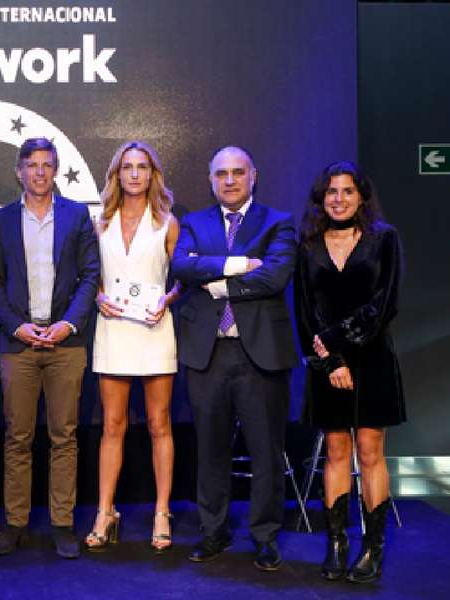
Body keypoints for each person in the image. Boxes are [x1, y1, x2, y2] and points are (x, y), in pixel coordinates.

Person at [171, 146, 298, 571]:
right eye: (221, 174)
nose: (229, 180)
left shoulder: (277, 222)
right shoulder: (194, 222)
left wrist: (222, 285)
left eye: (237, 173)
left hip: (259, 352)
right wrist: (242, 263)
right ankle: (213, 531)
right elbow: (182, 267)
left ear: (253, 176)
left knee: (266, 451)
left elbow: (275, 275)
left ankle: (264, 536)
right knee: (210, 450)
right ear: (210, 179)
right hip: (208, 353)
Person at [0, 137, 100, 559]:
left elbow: (90, 276)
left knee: (64, 436)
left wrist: (68, 324)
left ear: (55, 170)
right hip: (18, 345)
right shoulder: (0, 221)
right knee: (17, 436)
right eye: (30, 165)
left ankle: (62, 524)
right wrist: (17, 327)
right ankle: (15, 524)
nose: (38, 172)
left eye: (46, 165)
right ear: (19, 171)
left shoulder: (76, 215)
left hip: (66, 343)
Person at [294, 161, 405, 583]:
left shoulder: (385, 240)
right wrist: (331, 362)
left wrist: (339, 342)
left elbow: (386, 303)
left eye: (347, 191)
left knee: (371, 453)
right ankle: (336, 544)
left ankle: (373, 550)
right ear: (321, 199)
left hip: (373, 359)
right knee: (336, 452)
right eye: (331, 192)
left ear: (361, 196)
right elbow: (304, 312)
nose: (339, 199)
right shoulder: (308, 244)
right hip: (328, 365)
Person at [88, 141, 180, 553]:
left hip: (154, 327)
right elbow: (93, 277)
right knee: (113, 425)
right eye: (128, 167)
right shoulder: (100, 221)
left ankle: (162, 511)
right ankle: (105, 512)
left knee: (160, 424)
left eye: (142, 167)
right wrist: (98, 295)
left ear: (152, 173)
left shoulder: (167, 222)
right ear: (117, 174)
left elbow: (183, 278)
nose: (135, 174)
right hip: (113, 327)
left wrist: (168, 300)